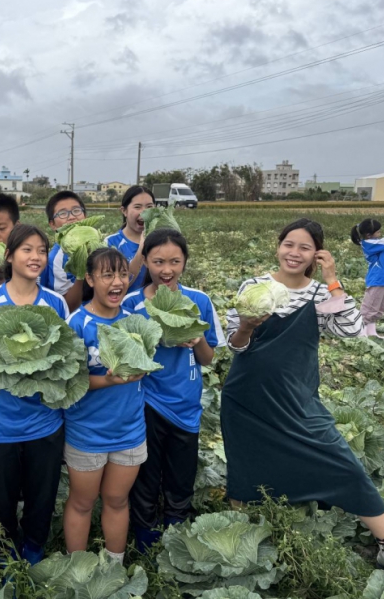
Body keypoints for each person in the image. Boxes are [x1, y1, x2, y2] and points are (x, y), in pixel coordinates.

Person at [222, 218, 384, 574]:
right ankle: (244, 543)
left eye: (304, 247)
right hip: (246, 398)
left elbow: (352, 331)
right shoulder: (254, 286)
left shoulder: (321, 293)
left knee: (346, 465)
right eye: (289, 244)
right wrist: (247, 325)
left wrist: (333, 279)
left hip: (298, 398)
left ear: (317, 254)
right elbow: (236, 345)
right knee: (246, 469)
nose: (294, 253)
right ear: (278, 246)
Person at [0, 224, 68, 565]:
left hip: (45, 421)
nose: (35, 257)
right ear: (9, 256)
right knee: (1, 498)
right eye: (26, 249)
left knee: (42, 496)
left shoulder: (56, 304)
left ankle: (35, 549)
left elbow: (65, 358)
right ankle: (5, 554)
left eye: (41, 250)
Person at [122, 229, 225, 550]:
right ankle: (145, 535)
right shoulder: (131, 303)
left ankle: (176, 530)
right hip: (146, 403)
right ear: (146, 263)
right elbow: (125, 357)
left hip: (186, 405)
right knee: (146, 475)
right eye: (158, 261)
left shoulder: (199, 301)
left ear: (185, 262)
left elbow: (208, 360)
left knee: (181, 475)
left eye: (175, 261)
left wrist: (196, 339)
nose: (166, 270)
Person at [63, 248, 146, 564]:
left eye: (123, 274)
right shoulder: (78, 323)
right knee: (82, 502)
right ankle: (77, 568)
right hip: (87, 432)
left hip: (129, 430)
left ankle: (114, 565)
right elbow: (71, 383)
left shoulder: (134, 322)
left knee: (117, 500)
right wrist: (111, 380)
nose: (117, 282)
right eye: (107, 274)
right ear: (90, 278)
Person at [41, 191, 88, 312]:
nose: (72, 217)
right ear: (52, 225)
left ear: (85, 216)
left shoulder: (99, 246)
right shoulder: (56, 259)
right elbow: (67, 306)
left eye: (76, 210)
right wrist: (81, 272)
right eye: (62, 213)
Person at [104, 186, 156, 294]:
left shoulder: (161, 241)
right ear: (124, 211)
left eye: (149, 207)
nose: (144, 212)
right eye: (137, 207)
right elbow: (115, 287)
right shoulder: (110, 243)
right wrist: (141, 249)